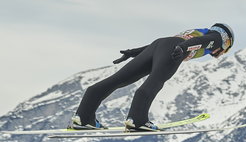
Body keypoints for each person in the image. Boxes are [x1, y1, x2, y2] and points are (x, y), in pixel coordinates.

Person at [68, 23, 234, 131]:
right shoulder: (217, 38)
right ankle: (137, 121)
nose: (221, 52)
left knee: (117, 80)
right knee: (155, 82)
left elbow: (163, 44)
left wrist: (135, 52)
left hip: (158, 44)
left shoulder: (199, 31)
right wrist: (183, 49)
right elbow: (202, 42)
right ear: (226, 41)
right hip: (174, 48)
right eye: (226, 48)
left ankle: (83, 118)